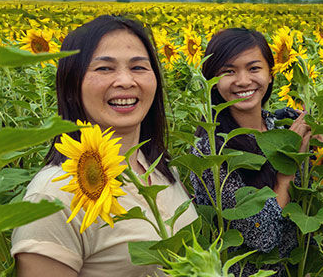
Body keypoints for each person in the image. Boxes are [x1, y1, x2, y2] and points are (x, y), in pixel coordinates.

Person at [12, 15, 198, 276]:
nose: (125, 81)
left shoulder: (157, 166)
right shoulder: (52, 197)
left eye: (139, 67)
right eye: (104, 68)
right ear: (71, 83)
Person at [190, 28, 313, 277]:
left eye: (254, 68)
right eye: (229, 71)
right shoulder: (210, 151)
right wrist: (288, 166)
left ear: (270, 74)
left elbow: (308, 206)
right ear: (212, 81)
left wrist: (315, 154)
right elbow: (263, 235)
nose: (244, 80)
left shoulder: (278, 127)